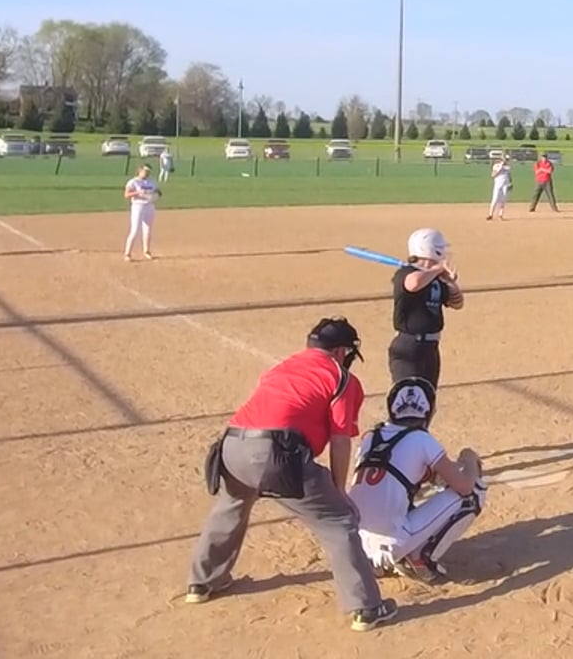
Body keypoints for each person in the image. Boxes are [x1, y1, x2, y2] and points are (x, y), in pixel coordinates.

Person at [187, 318, 397, 632]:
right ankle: (366, 608)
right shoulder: (341, 378)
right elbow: (340, 440)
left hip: (231, 446)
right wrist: (338, 491)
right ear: (341, 352)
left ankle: (202, 582)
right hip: (275, 453)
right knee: (338, 521)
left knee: (231, 506)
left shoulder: (281, 367)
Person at [349, 378, 488, 583]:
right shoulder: (422, 439)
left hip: (356, 544)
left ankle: (383, 560)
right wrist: (469, 457)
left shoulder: (370, 437)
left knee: (404, 491)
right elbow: (464, 487)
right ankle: (419, 557)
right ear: (428, 412)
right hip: (391, 543)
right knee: (474, 490)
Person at [390, 228, 463, 391]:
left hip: (430, 347)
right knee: (408, 400)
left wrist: (450, 282)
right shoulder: (406, 273)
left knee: (428, 399)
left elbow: (457, 303)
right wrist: (437, 269)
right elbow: (413, 284)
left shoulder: (435, 279)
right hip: (409, 347)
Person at [123, 164, 160, 261]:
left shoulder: (152, 182)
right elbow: (126, 195)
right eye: (145, 171)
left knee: (147, 230)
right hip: (138, 206)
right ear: (140, 170)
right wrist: (137, 193)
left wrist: (156, 196)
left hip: (149, 206)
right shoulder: (133, 182)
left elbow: (158, 192)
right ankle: (127, 254)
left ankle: (146, 251)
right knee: (135, 230)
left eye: (148, 171)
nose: (147, 173)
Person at [487, 154, 511, 220]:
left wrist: (510, 183)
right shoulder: (496, 165)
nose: (507, 161)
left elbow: (509, 175)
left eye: (507, 160)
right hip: (498, 184)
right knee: (495, 199)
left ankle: (500, 215)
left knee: (503, 200)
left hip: (505, 185)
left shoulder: (508, 167)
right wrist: (499, 168)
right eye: (506, 159)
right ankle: (490, 214)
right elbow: (493, 175)